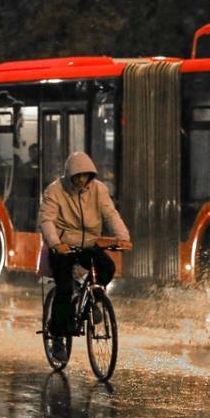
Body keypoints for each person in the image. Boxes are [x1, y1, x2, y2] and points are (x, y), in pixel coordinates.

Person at [39, 152, 132, 362]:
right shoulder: (55, 191)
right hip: (63, 246)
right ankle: (58, 337)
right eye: (77, 176)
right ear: (69, 175)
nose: (82, 180)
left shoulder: (99, 189)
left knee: (107, 267)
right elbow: (46, 220)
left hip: (89, 244)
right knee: (63, 288)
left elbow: (110, 214)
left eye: (86, 176)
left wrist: (123, 237)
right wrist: (56, 243)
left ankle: (93, 300)